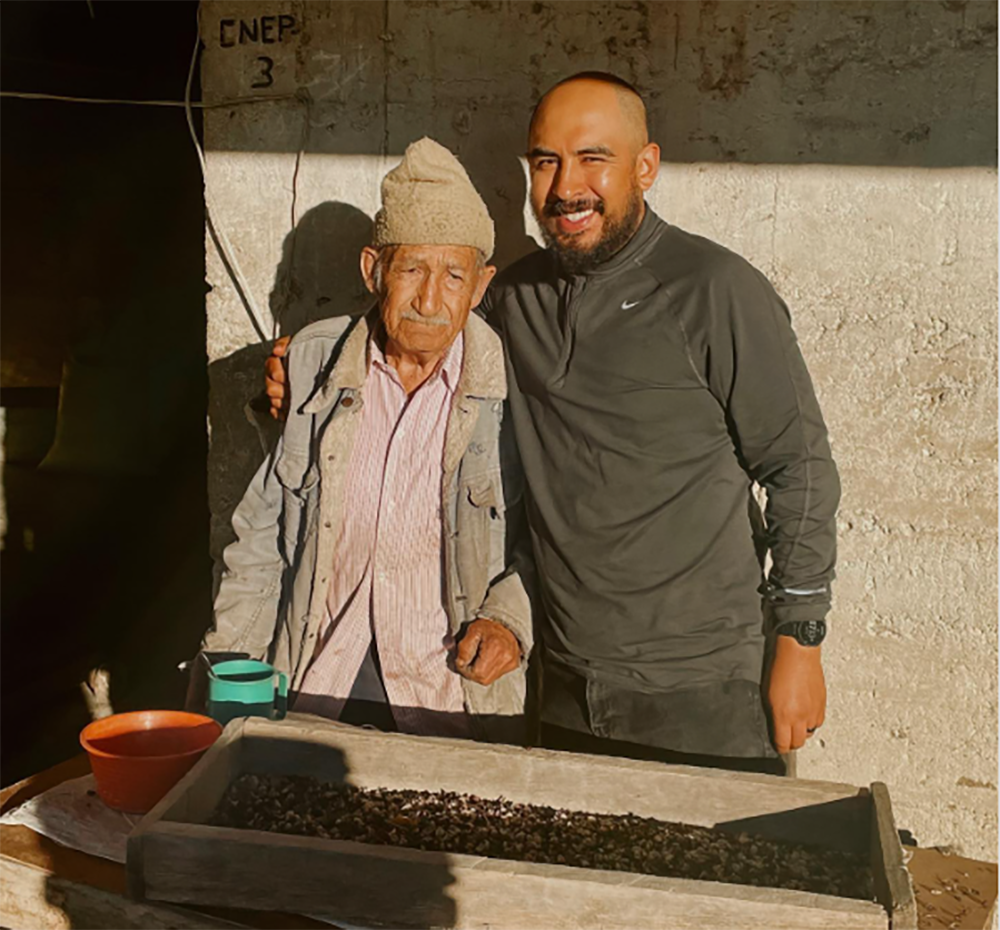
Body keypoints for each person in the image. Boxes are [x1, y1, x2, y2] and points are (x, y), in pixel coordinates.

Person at [267, 74, 840, 773]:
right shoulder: (515, 299)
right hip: (561, 680)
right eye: (546, 162)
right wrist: (304, 368)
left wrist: (800, 643)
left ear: (646, 166)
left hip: (703, 685)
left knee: (697, 881)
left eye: (593, 158)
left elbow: (799, 467)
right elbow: (414, 326)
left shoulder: (715, 292)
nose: (568, 186)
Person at [200, 138, 533, 744]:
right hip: (320, 679)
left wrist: (510, 617)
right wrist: (231, 672)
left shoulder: (511, 386)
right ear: (373, 270)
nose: (431, 300)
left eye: (454, 275)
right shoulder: (313, 364)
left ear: (480, 286)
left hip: (449, 693)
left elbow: (549, 537)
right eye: (411, 270)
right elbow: (263, 536)